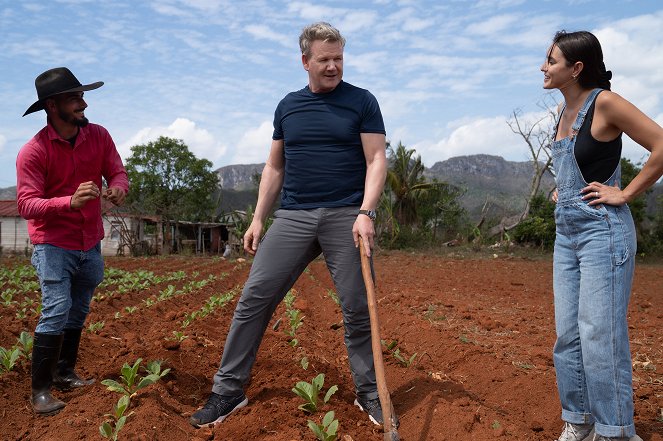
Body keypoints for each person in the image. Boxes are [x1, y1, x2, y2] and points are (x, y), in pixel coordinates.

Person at [190, 22, 394, 428]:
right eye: (325, 59)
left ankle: (369, 393)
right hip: (295, 215)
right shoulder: (288, 106)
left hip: (346, 215)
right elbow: (274, 166)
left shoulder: (362, 102)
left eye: (339, 58)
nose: (334, 66)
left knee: (356, 308)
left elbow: (376, 160)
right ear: (305, 61)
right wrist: (258, 218)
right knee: (254, 300)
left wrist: (366, 213)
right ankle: (228, 392)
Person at [542, 31, 663, 441]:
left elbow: (661, 143)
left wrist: (626, 191)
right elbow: (578, 165)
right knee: (568, 335)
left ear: (576, 68)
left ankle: (616, 433)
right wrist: (564, 188)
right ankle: (579, 422)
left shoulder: (605, 103)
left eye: (551, 60)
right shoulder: (562, 113)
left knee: (599, 336)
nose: (544, 67)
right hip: (566, 233)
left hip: (602, 233)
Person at [17, 67, 129, 416]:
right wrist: (68, 201)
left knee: (78, 310)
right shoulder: (33, 151)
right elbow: (26, 204)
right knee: (56, 310)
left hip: (90, 241)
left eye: (82, 97)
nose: (83, 104)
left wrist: (118, 189)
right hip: (53, 244)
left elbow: (118, 172)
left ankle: (65, 373)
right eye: (74, 99)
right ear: (52, 106)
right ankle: (40, 391)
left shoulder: (99, 136)